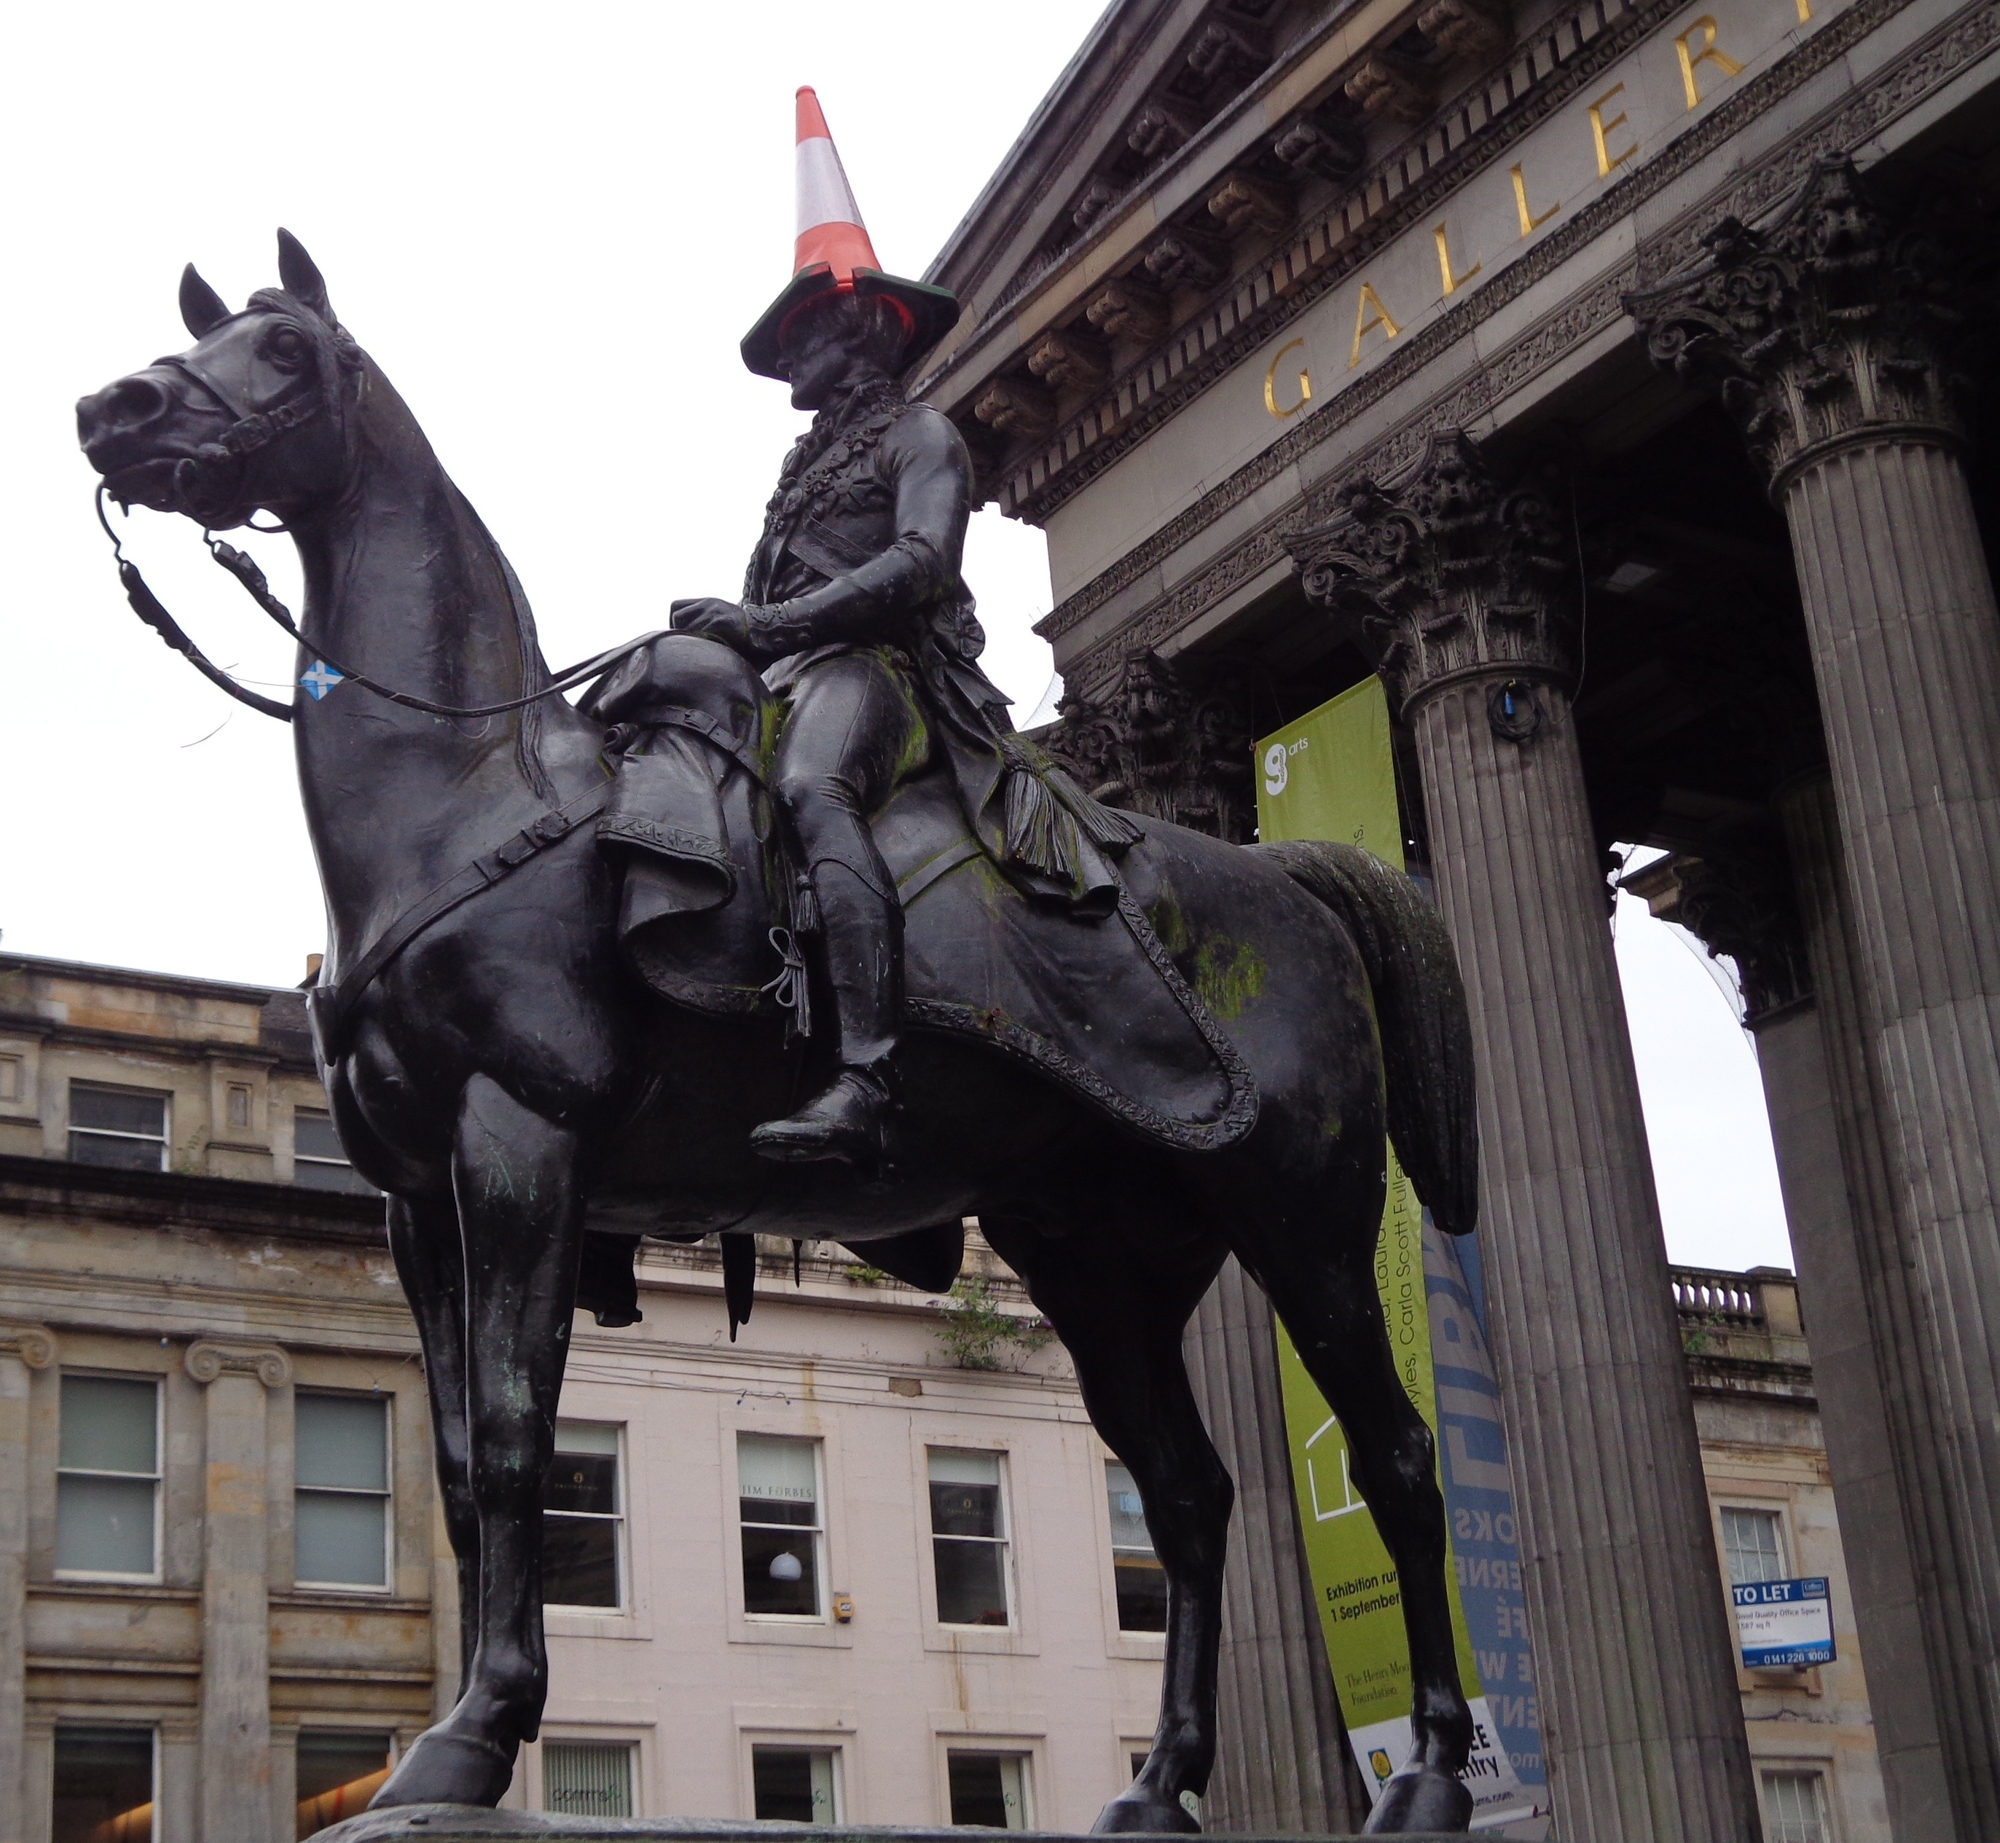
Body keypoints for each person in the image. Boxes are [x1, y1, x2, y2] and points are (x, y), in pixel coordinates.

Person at [632, 89, 1135, 1167]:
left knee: (813, 789)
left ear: (853, 327)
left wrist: (762, 621)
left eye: (802, 332)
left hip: (884, 673)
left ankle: (870, 1073)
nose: (790, 357)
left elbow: (917, 566)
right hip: (794, 666)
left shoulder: (923, 436)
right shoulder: (801, 464)